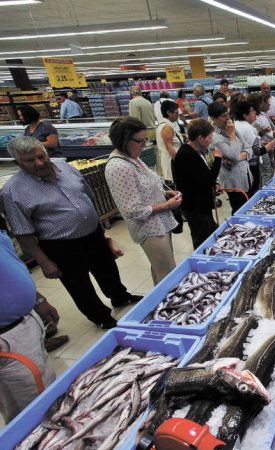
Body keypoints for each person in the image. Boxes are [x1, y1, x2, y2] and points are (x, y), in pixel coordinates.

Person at [1, 137, 141, 329]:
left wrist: (102, 233)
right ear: (18, 163)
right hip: (60, 246)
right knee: (79, 285)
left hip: (92, 234)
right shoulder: (13, 191)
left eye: (41, 156)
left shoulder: (65, 167)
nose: (39, 163)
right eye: (30, 160)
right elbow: (23, 232)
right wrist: (44, 261)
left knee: (107, 269)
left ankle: (120, 297)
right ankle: (100, 317)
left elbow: (88, 198)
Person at [104, 117, 181, 285]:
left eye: (145, 139)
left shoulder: (133, 157)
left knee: (161, 270)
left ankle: (159, 307)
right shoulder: (119, 167)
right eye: (140, 141)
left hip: (160, 224)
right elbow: (133, 210)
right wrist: (168, 205)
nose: (144, 145)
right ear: (124, 140)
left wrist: (165, 193)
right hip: (150, 229)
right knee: (168, 276)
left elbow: (146, 185)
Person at [0, 229, 57, 423]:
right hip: (6, 341)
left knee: (50, 393)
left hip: (28, 323)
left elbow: (7, 267)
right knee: (34, 415)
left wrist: (36, 297)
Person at [172, 119, 222, 249]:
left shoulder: (195, 151)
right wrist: (218, 159)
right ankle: (202, 262)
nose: (211, 141)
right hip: (194, 206)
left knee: (212, 232)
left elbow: (200, 178)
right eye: (209, 138)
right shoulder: (187, 155)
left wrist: (213, 185)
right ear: (200, 138)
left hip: (201, 203)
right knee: (202, 238)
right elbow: (207, 179)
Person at [208, 102, 251, 214]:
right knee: (238, 210)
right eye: (223, 116)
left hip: (245, 174)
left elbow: (248, 147)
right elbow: (234, 155)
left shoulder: (231, 127)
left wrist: (240, 155)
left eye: (228, 114)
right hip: (233, 181)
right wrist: (232, 136)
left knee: (248, 206)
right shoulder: (214, 137)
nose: (228, 118)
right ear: (213, 119)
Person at [233, 100, 275, 192]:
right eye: (252, 111)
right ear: (245, 115)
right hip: (251, 166)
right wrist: (274, 141)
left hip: (240, 167)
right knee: (253, 191)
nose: (255, 112)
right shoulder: (248, 128)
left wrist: (260, 143)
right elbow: (259, 151)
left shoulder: (236, 124)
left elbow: (247, 144)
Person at [248, 93, 275, 186]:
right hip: (262, 149)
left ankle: (269, 187)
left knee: (271, 168)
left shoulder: (263, 114)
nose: (265, 104)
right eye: (261, 102)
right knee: (266, 172)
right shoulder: (253, 119)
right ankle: (265, 191)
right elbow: (253, 135)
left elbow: (272, 128)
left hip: (270, 146)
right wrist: (262, 132)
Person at [156, 100, 185, 182]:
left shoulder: (167, 125)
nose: (178, 115)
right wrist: (180, 163)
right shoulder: (167, 127)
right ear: (169, 112)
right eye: (176, 113)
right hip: (172, 162)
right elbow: (169, 147)